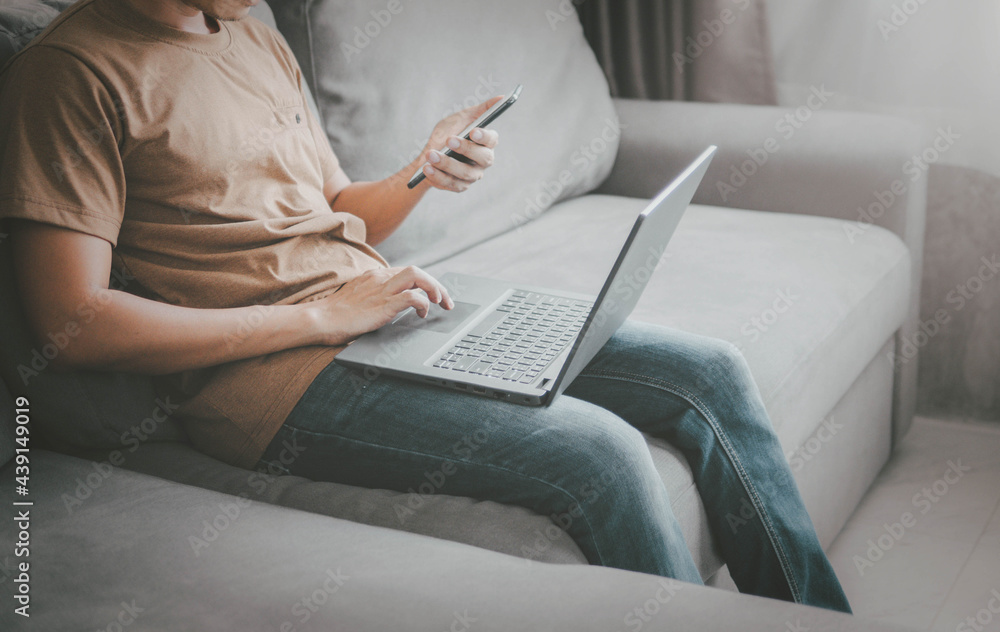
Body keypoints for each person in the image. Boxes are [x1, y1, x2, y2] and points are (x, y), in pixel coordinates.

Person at [0, 0, 851, 612]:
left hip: (377, 310)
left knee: (708, 371)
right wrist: (319, 318)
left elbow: (338, 207)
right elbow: (71, 323)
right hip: (270, 378)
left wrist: (424, 168)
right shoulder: (72, 72)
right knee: (601, 454)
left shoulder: (253, 36)